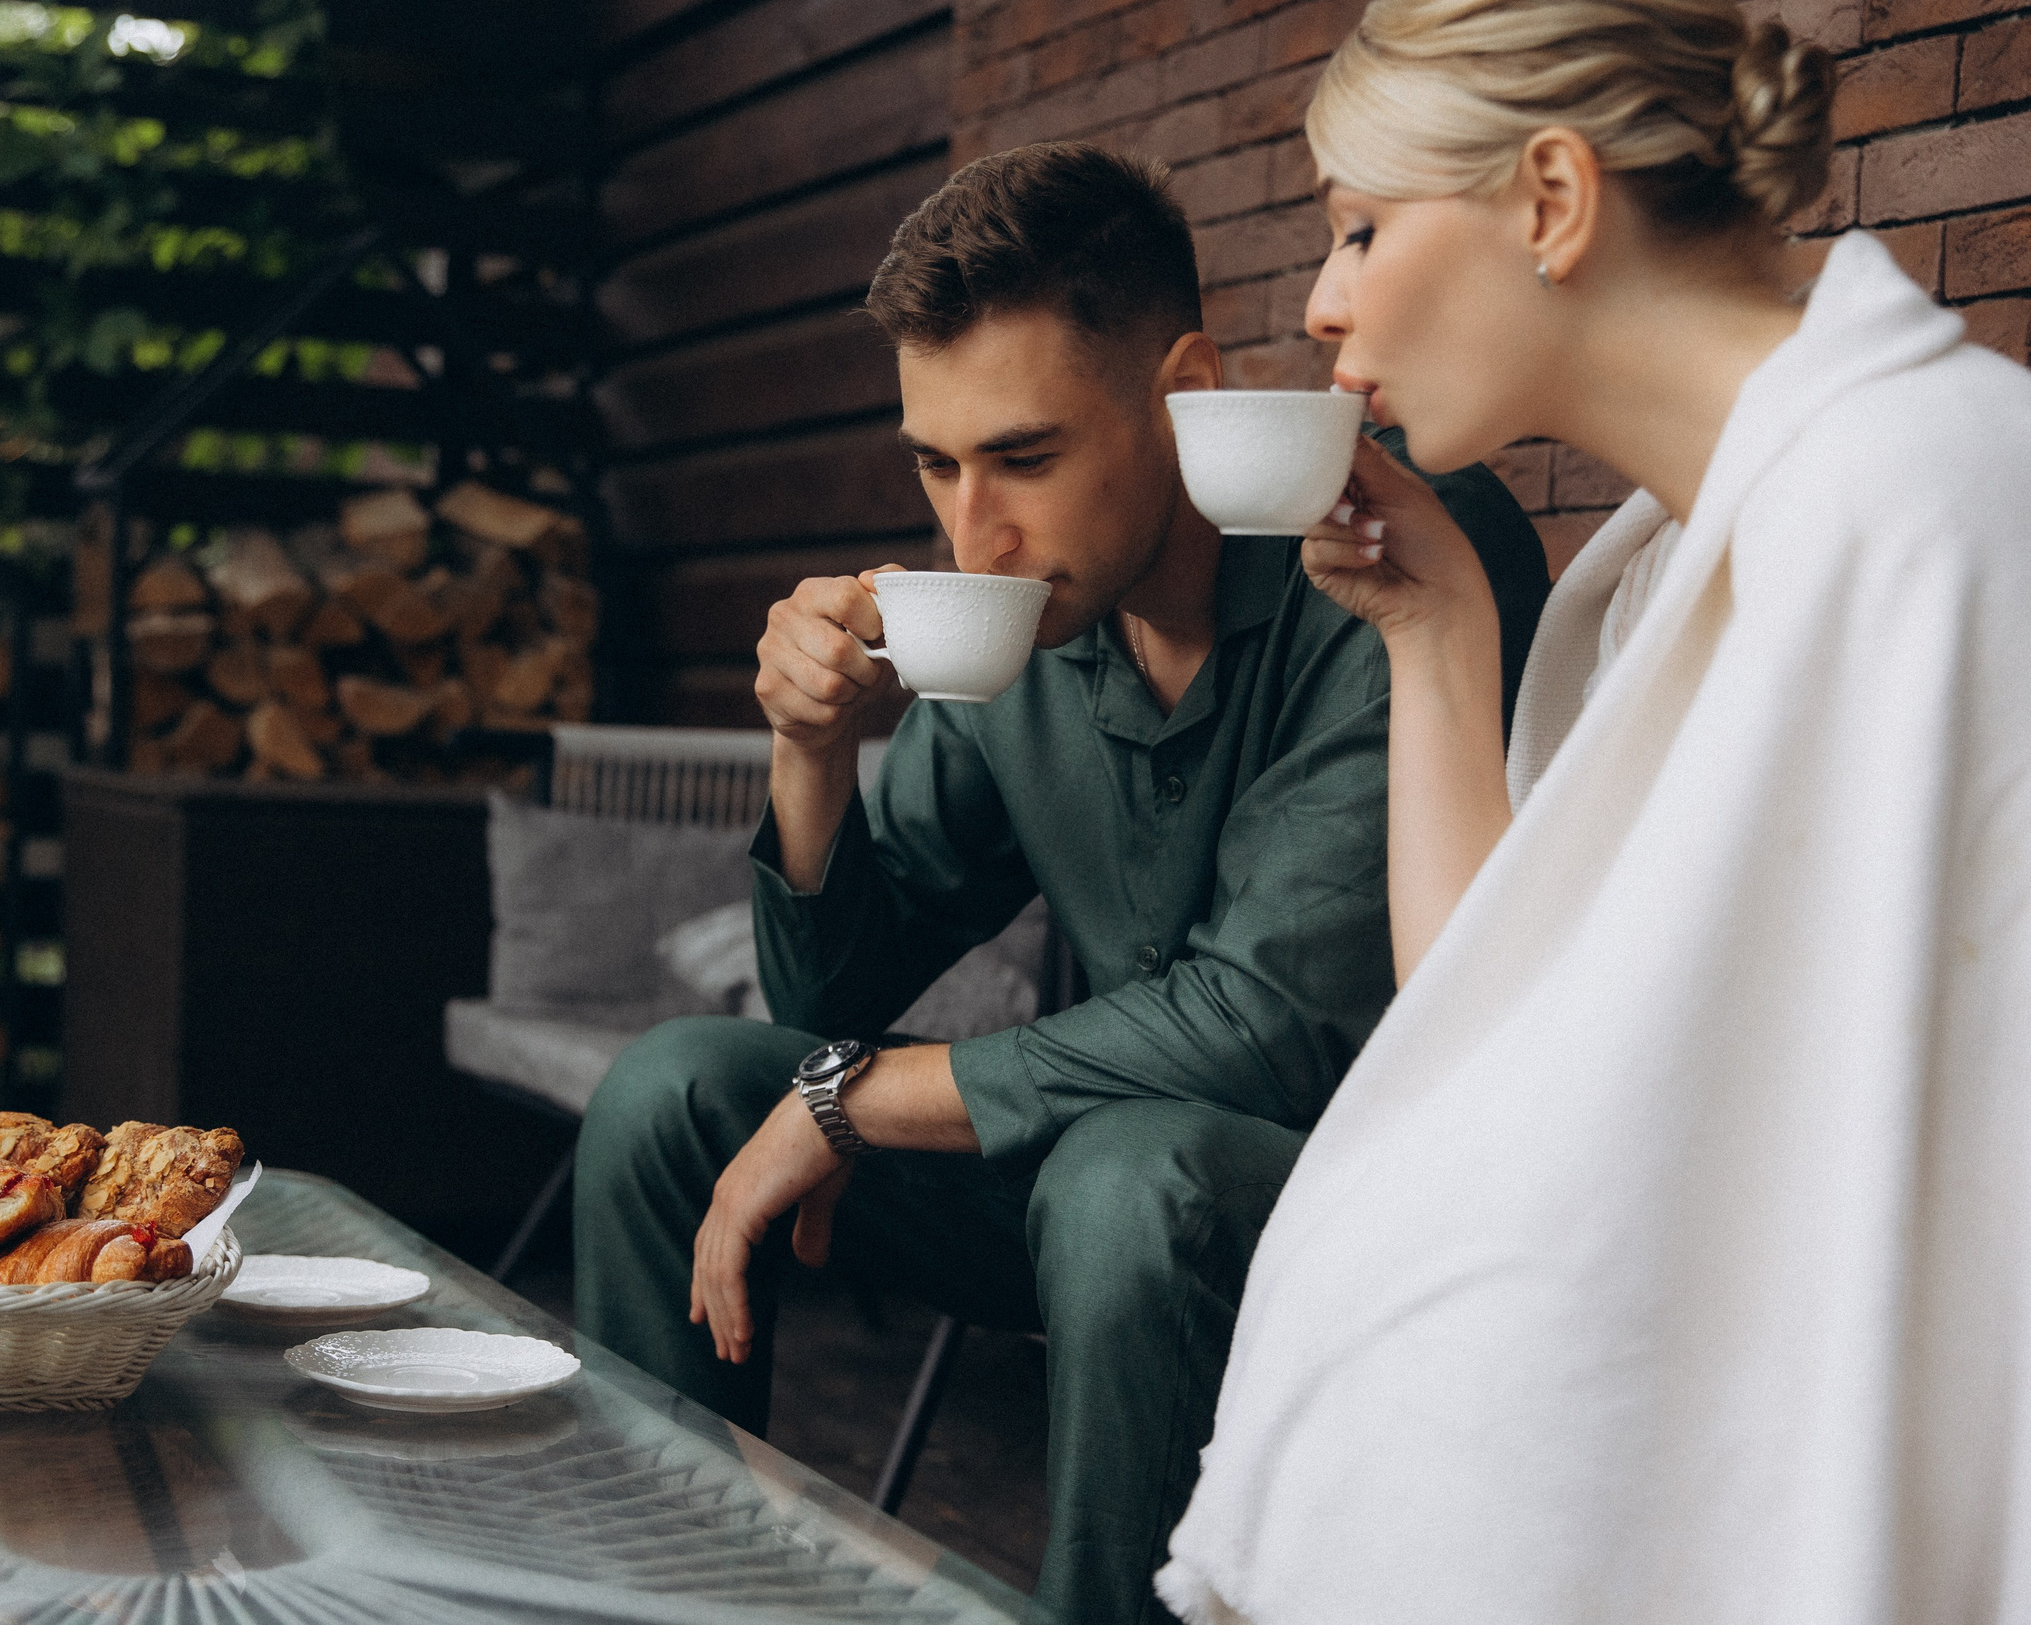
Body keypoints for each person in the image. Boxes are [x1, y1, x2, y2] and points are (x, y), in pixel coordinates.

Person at [1159, 0, 2031, 1619]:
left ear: (1550, 200)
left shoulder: (1927, 508)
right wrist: (1435, 638)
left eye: (1359, 227)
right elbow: (1490, 1025)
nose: (1323, 299)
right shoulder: (1648, 570)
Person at [572, 142, 1552, 1624]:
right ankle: (649, 1600)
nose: (975, 532)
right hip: (1082, 1199)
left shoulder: (1387, 546)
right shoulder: (1024, 629)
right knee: (674, 1094)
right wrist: (810, 753)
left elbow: (1272, 1026)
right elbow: (828, 997)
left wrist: (850, 1102)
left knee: (1126, 1176)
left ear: (1187, 389)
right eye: (936, 464)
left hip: (1337, 1212)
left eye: (1024, 458)